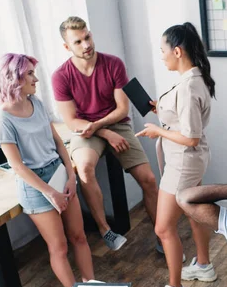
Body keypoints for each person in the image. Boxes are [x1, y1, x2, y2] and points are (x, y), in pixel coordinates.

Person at [52, 16, 159, 251]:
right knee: (85, 169)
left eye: (87, 37)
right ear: (67, 46)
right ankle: (105, 230)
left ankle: (162, 234)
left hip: (116, 123)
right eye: (78, 42)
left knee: (149, 180)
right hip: (85, 130)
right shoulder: (61, 76)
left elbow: (122, 108)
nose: (86, 45)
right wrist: (103, 133)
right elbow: (71, 121)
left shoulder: (113, 64)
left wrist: (103, 127)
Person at [0, 53, 94, 287]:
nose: (36, 79)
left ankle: (93, 286)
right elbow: (17, 166)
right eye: (30, 73)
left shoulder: (36, 103)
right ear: (14, 77)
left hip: (58, 173)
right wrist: (50, 193)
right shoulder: (3, 119)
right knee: (59, 247)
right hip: (36, 187)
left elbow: (58, 142)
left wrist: (71, 176)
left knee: (79, 236)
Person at [135, 23, 216, 287]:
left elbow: (191, 137)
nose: (161, 56)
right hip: (190, 161)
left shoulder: (189, 85)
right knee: (194, 213)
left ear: (177, 51)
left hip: (184, 162)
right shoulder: (193, 80)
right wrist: (162, 109)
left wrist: (157, 130)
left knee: (163, 228)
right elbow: (186, 118)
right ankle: (204, 265)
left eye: (163, 51)